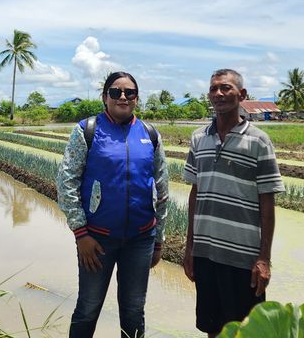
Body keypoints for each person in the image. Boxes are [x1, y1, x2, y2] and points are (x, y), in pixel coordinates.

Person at [56, 71, 170, 338]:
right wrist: (81, 234)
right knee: (88, 307)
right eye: (115, 92)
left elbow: (162, 189)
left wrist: (158, 240)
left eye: (129, 92)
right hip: (96, 241)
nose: (122, 97)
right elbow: (66, 181)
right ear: (104, 97)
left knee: (133, 311)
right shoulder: (88, 130)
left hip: (140, 240)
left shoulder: (150, 134)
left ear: (136, 98)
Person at [182, 69, 284, 337]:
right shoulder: (198, 138)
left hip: (243, 258)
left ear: (242, 95)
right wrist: (189, 247)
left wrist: (264, 258)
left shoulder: (259, 141)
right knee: (212, 327)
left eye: (226, 88)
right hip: (205, 254)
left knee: (246, 329)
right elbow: (195, 194)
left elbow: (267, 201)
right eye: (214, 89)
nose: (219, 94)